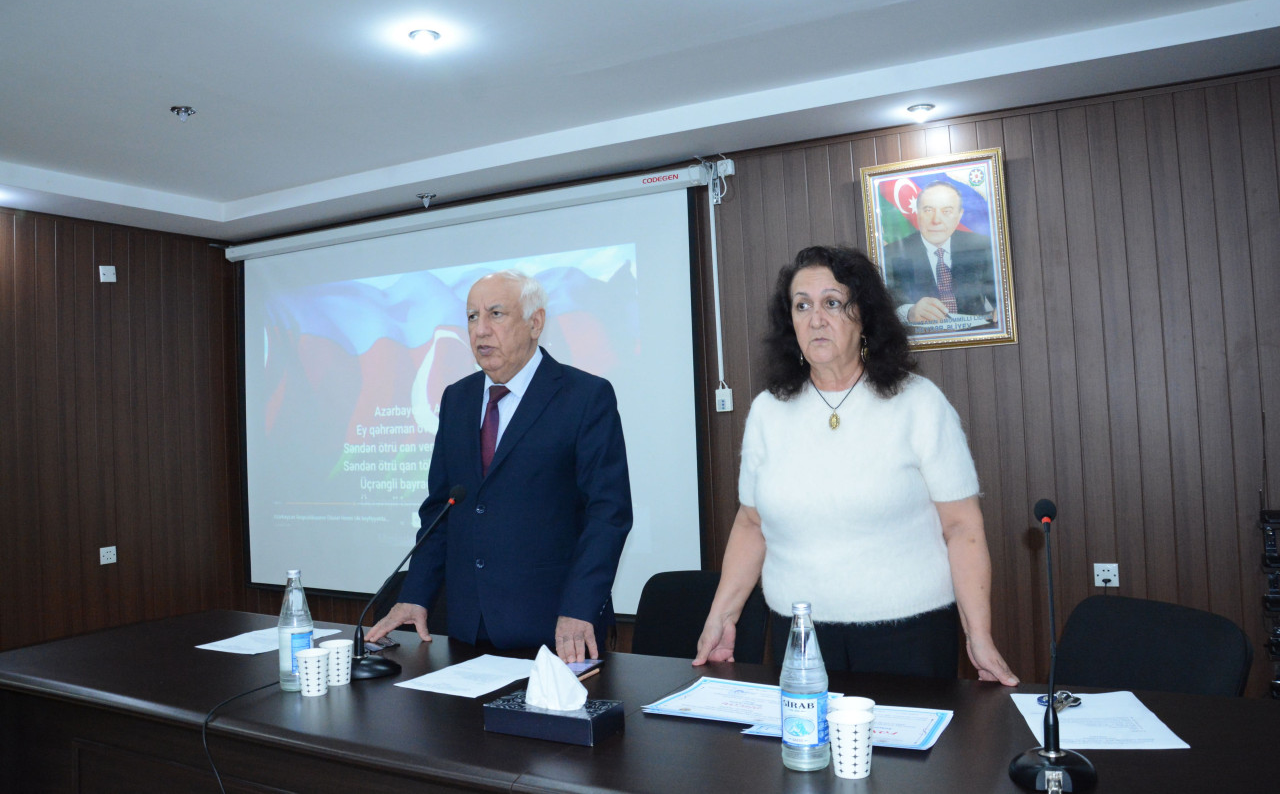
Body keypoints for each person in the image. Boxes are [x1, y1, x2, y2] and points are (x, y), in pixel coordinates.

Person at [693, 245, 1018, 685]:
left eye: (832, 303)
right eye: (802, 305)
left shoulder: (918, 403)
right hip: (801, 638)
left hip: (909, 637)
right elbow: (751, 525)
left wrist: (978, 633)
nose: (815, 319)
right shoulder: (768, 411)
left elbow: (962, 527)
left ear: (863, 316)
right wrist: (720, 617)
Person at [366, 270, 633, 663]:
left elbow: (608, 514)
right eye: (472, 317)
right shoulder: (457, 399)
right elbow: (441, 509)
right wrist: (415, 595)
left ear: (535, 323)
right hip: (467, 629)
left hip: (556, 630)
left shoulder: (585, 397)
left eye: (495, 314)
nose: (480, 330)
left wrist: (579, 607)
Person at [881, 181, 997, 323]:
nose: (936, 220)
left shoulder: (981, 247)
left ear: (959, 215)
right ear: (917, 213)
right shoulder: (892, 253)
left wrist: (1003, 309)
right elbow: (883, 306)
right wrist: (908, 312)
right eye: (928, 210)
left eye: (946, 211)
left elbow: (1000, 296)